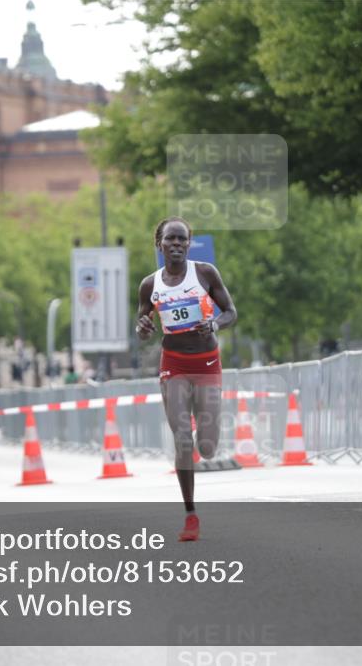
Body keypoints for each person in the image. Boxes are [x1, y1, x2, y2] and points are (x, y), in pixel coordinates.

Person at [136, 217, 237, 542]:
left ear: (189, 244)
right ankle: (190, 514)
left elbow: (231, 311)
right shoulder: (150, 285)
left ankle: (207, 437)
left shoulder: (205, 273)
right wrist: (143, 328)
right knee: (182, 438)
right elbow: (142, 325)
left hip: (206, 363)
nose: (176, 244)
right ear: (160, 244)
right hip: (174, 364)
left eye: (182, 239)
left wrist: (216, 325)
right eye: (170, 239)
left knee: (206, 447)